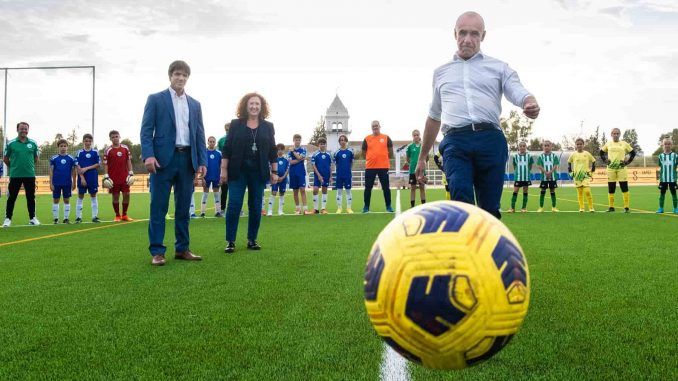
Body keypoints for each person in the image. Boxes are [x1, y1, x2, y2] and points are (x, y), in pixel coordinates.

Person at [414, 11, 540, 219]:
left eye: (474, 34)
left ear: (483, 36)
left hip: (490, 140)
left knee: (489, 209)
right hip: (455, 142)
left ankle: (489, 248)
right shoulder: (441, 73)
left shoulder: (498, 67)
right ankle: (464, 248)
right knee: (461, 199)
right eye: (462, 33)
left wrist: (528, 101)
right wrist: (422, 157)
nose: (467, 40)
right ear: (454, 34)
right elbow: (434, 115)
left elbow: (517, 89)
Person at [140, 60, 207, 266]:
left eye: (185, 75)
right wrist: (148, 155)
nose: (181, 78)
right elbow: (146, 130)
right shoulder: (156, 99)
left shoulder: (195, 104)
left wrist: (202, 161)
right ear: (170, 76)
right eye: (177, 74)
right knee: (158, 207)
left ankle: (182, 248)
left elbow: (199, 133)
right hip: (162, 161)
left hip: (187, 160)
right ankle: (158, 251)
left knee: (184, 207)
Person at [221, 92, 278, 253]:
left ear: (262, 107)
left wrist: (274, 171)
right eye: (251, 103)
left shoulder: (268, 126)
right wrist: (223, 169)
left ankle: (252, 239)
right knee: (234, 205)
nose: (254, 106)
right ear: (246, 105)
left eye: (257, 104)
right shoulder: (235, 124)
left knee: (255, 205)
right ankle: (230, 241)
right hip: (237, 171)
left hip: (258, 172)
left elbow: (273, 151)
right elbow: (227, 149)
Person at [3, 122, 41, 227]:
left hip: (29, 175)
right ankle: (8, 219)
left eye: (25, 129)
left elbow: (36, 158)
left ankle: (33, 218)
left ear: (28, 130)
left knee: (30, 197)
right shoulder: (11, 143)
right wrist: (14, 167)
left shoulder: (33, 143)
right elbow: (5, 158)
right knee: (12, 198)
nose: (24, 130)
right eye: (22, 129)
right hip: (15, 175)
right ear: (17, 130)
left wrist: (28, 166)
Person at [600, 128, 636, 213]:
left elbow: (633, 153)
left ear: (620, 134)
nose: (616, 135)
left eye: (617, 133)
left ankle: (626, 208)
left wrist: (627, 162)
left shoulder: (624, 144)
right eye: (614, 133)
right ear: (611, 134)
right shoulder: (608, 144)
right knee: (611, 188)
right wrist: (605, 160)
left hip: (621, 169)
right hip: (611, 169)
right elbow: (601, 152)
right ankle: (611, 207)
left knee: (624, 187)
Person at [362, 120, 394, 213]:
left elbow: (391, 152)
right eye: (373, 126)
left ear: (380, 126)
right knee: (368, 187)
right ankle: (366, 207)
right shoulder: (367, 138)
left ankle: (388, 206)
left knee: (386, 187)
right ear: (371, 127)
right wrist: (371, 158)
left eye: (376, 125)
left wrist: (383, 157)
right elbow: (363, 152)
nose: (375, 127)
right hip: (370, 167)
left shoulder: (386, 137)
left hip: (383, 167)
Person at [103, 130, 134, 222]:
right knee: (115, 196)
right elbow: (106, 164)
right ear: (110, 139)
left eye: (116, 136)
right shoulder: (108, 150)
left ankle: (124, 215)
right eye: (113, 137)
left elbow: (128, 160)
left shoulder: (125, 148)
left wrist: (131, 172)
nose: (115, 138)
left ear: (119, 137)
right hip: (113, 178)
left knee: (127, 195)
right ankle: (117, 215)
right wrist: (106, 175)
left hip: (125, 177)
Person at [75, 134, 101, 223]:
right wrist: (82, 178)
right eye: (86, 141)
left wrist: (86, 168)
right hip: (82, 178)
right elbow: (77, 166)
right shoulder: (79, 153)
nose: (88, 142)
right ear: (83, 141)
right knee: (80, 196)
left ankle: (95, 216)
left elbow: (98, 164)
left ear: (91, 142)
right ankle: (78, 217)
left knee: (93, 196)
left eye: (89, 141)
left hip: (92, 177)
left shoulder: (95, 152)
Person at [49, 139, 77, 224]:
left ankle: (66, 218)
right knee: (56, 200)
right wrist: (51, 183)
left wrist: (74, 182)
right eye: (61, 146)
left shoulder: (71, 159)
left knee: (66, 200)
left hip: (67, 183)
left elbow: (73, 171)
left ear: (67, 147)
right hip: (56, 183)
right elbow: (51, 171)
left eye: (65, 146)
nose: (63, 148)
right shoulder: (54, 158)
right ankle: (56, 219)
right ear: (58, 147)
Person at [568, 138, 596, 212]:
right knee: (580, 192)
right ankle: (581, 208)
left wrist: (592, 170)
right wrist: (570, 172)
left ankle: (591, 207)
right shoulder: (573, 154)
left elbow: (593, 161)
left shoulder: (587, 153)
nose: (579, 145)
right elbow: (569, 162)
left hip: (585, 176)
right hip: (577, 176)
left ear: (583, 145)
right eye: (578, 144)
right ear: (576, 145)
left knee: (587, 191)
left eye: (581, 144)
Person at [288, 134, 312, 215]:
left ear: (300, 141)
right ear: (293, 140)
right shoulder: (289, 151)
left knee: (302, 190)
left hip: (301, 172)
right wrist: (301, 159)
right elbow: (291, 162)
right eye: (296, 140)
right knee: (295, 191)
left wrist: (294, 152)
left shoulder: (303, 149)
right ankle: (298, 209)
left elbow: (298, 158)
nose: (297, 141)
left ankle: (305, 209)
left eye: (299, 140)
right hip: (293, 173)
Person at [201, 136, 222, 217]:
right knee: (205, 194)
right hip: (206, 176)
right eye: (210, 141)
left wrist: (220, 177)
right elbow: (202, 165)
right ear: (208, 142)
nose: (212, 143)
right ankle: (202, 212)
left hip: (216, 177)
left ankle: (217, 212)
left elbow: (221, 166)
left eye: (213, 141)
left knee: (216, 194)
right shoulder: (204, 153)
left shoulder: (219, 153)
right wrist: (202, 177)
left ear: (215, 143)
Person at [508, 142, 533, 213]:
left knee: (525, 192)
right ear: (518, 147)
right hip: (518, 177)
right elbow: (514, 166)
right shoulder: (515, 156)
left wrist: (526, 172)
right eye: (521, 146)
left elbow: (530, 166)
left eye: (524, 146)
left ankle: (524, 208)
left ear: (526, 147)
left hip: (526, 177)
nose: (522, 147)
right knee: (515, 191)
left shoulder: (529, 156)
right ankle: (512, 208)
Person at [536, 140, 560, 212]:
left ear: (551, 146)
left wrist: (550, 172)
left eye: (548, 145)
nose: (546, 147)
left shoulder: (554, 156)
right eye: (545, 145)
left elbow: (555, 165)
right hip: (544, 177)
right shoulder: (541, 156)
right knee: (543, 191)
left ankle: (554, 207)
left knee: (552, 191)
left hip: (552, 177)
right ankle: (541, 207)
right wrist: (546, 173)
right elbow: (539, 165)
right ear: (543, 147)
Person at [333, 134, 354, 213]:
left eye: (344, 140)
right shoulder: (336, 153)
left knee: (348, 191)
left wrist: (348, 170)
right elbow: (336, 163)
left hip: (347, 174)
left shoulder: (350, 152)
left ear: (346, 141)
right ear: (339, 142)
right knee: (339, 191)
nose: (342, 141)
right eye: (341, 140)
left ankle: (349, 208)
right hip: (339, 175)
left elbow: (351, 162)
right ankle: (339, 208)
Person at [656, 138, 678, 214]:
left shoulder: (675, 155)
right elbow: (660, 167)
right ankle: (661, 208)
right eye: (665, 144)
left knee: (674, 194)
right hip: (663, 179)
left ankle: (675, 208)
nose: (667, 145)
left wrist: (676, 179)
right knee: (662, 194)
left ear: (671, 145)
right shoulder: (660, 156)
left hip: (672, 179)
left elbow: (676, 167)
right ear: (663, 145)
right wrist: (659, 180)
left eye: (669, 144)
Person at [311, 138, 332, 214]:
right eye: (321, 144)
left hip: (326, 175)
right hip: (317, 175)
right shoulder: (315, 154)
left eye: (324, 144)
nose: (322, 145)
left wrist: (330, 176)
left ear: (325, 145)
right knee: (315, 190)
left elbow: (330, 166)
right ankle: (316, 209)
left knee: (324, 190)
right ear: (318, 145)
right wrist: (319, 175)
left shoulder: (328, 155)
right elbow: (314, 166)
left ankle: (323, 209)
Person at [267, 143, 289, 216]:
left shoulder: (286, 160)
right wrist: (274, 176)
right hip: (275, 179)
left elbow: (287, 169)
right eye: (278, 149)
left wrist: (283, 177)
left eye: (281, 149)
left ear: (283, 150)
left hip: (283, 179)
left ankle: (280, 211)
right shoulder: (274, 159)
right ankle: (270, 211)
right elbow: (270, 168)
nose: (280, 151)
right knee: (273, 192)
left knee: (282, 194)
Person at [406, 129, 426, 208]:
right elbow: (407, 159)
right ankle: (412, 206)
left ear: (419, 136)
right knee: (413, 188)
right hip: (412, 171)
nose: (416, 136)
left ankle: (423, 206)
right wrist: (412, 164)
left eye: (417, 135)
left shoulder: (423, 146)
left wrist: (422, 165)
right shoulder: (410, 147)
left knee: (422, 188)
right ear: (412, 137)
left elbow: (426, 157)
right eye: (414, 135)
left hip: (421, 171)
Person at [217, 122, 230, 215]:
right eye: (227, 129)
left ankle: (238, 209)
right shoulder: (221, 140)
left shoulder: (237, 138)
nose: (228, 130)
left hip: (235, 168)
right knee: (224, 190)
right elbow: (219, 155)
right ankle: (222, 209)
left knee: (236, 189)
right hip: (224, 168)